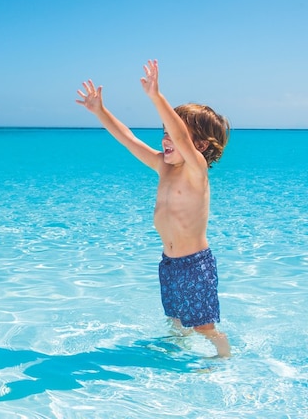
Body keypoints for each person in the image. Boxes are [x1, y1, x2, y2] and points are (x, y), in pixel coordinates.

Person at [76, 59, 231, 357]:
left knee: (205, 328)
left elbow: (181, 136)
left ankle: (224, 362)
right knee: (176, 323)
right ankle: (175, 358)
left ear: (198, 145)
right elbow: (128, 139)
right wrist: (100, 112)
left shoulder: (195, 170)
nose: (165, 138)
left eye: (174, 133)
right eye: (164, 130)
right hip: (170, 264)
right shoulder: (163, 166)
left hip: (195, 265)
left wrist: (156, 97)